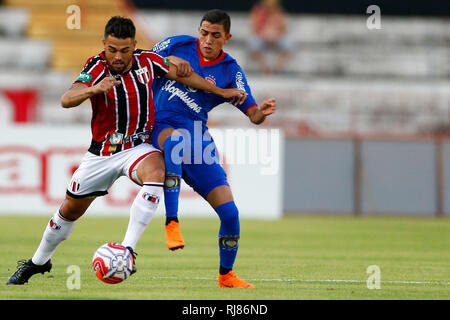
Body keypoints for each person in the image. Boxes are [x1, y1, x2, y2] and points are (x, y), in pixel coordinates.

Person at [6, 16, 246, 285]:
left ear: (134, 45)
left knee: (157, 171)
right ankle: (38, 261)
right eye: (112, 50)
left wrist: (219, 91)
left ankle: (127, 250)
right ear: (104, 45)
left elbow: (183, 75)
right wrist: (94, 90)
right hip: (102, 154)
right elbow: (66, 99)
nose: (118, 57)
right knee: (69, 211)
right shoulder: (96, 67)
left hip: (137, 147)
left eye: (124, 50)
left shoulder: (149, 61)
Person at [150, 9, 277, 288]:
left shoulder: (231, 71)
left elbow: (252, 114)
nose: (207, 40)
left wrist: (262, 113)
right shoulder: (178, 44)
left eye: (215, 35)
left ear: (227, 38)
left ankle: (226, 275)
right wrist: (168, 59)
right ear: (199, 30)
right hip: (159, 123)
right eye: (204, 32)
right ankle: (172, 223)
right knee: (174, 142)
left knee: (230, 214)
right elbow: (144, 60)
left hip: (196, 134)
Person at [248, 0, 293, 74]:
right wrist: (264, 35)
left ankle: (278, 68)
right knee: (253, 44)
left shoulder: (279, 12)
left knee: (290, 44)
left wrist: (275, 35)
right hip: (262, 37)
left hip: (276, 38)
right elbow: (254, 28)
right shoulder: (258, 12)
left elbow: (283, 29)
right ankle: (264, 67)